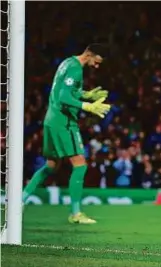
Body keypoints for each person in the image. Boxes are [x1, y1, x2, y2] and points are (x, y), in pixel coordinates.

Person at [22, 43, 111, 224]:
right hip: (63, 122)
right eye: (97, 61)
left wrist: (86, 95)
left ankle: (19, 200)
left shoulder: (68, 63)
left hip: (52, 119)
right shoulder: (76, 69)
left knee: (51, 166)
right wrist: (87, 106)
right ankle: (76, 213)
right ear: (90, 54)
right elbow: (64, 97)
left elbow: (68, 90)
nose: (97, 66)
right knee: (80, 165)